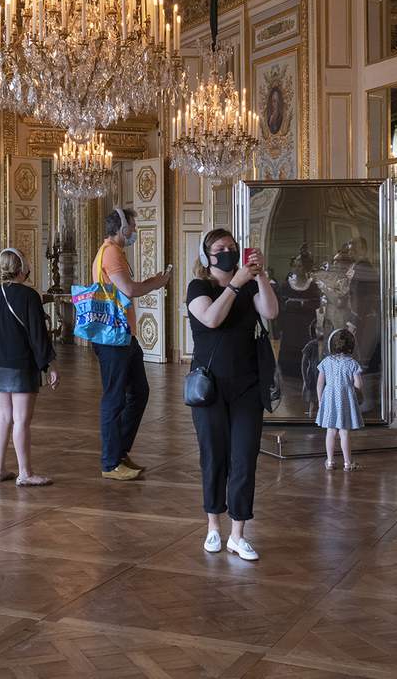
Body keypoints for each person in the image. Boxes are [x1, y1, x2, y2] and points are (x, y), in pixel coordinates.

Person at [186, 228, 278, 561]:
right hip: (209, 387)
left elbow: (270, 312)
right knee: (214, 457)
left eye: (232, 247)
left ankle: (238, 533)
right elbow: (211, 319)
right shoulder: (199, 287)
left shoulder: (250, 284)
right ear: (206, 256)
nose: (227, 252)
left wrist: (261, 275)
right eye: (219, 248)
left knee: (244, 459)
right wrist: (235, 284)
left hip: (247, 386)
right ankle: (213, 526)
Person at [92, 206, 172, 481]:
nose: (135, 232)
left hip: (123, 335)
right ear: (122, 228)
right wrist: (157, 282)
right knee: (114, 398)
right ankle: (111, 462)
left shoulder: (113, 252)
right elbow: (129, 289)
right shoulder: (112, 252)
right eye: (133, 227)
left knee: (139, 391)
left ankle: (119, 452)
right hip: (113, 339)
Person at [0, 248, 57, 486]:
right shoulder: (29, 296)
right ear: (21, 267)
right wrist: (50, 365)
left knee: (3, 417)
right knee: (21, 420)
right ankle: (25, 473)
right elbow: (38, 335)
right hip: (21, 365)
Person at [316, 329, 364, 471]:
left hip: (330, 398)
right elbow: (359, 384)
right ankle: (348, 463)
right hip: (346, 398)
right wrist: (356, 393)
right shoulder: (352, 363)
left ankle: (330, 461)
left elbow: (319, 383)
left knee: (330, 430)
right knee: (344, 431)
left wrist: (320, 401)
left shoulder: (326, 362)